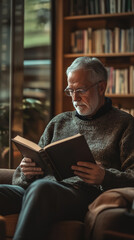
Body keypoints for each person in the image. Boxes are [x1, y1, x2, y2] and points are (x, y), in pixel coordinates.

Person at [0, 57, 134, 240]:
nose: (74, 98)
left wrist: (105, 176)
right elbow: (20, 181)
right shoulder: (59, 122)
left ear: (101, 87)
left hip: (83, 195)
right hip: (40, 190)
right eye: (70, 90)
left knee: (42, 188)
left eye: (81, 90)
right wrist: (27, 172)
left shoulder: (124, 124)